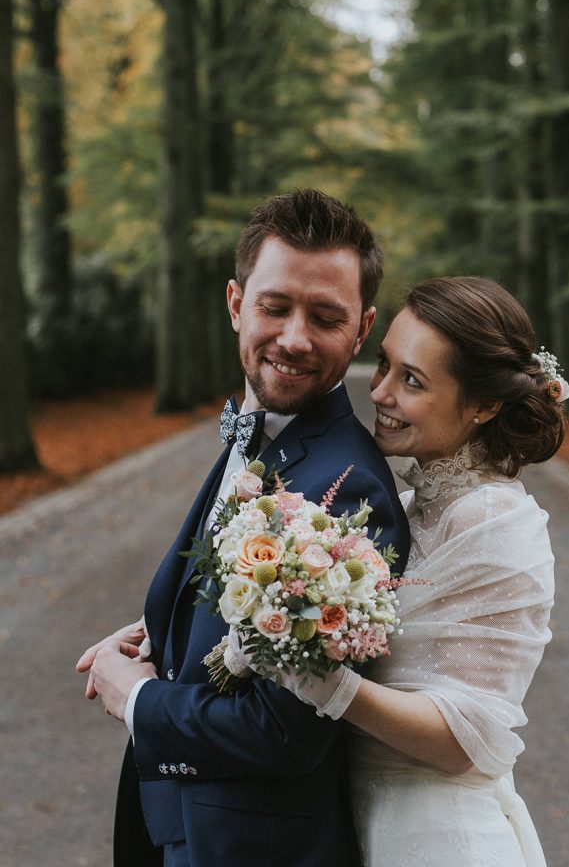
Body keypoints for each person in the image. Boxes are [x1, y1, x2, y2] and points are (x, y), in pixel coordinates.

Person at [75, 189, 410, 867]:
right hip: (187, 831)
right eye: (274, 306)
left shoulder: (351, 492)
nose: (293, 337)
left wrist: (138, 697)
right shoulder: (254, 434)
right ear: (236, 304)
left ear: (361, 329)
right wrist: (159, 629)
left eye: (324, 316)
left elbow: (288, 732)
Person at [277, 276, 567, 866]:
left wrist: (321, 683)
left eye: (411, 380)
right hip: (365, 824)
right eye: (383, 366)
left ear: (484, 405)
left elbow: (466, 739)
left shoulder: (495, 521)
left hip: (442, 840)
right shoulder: (411, 507)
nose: (379, 392)